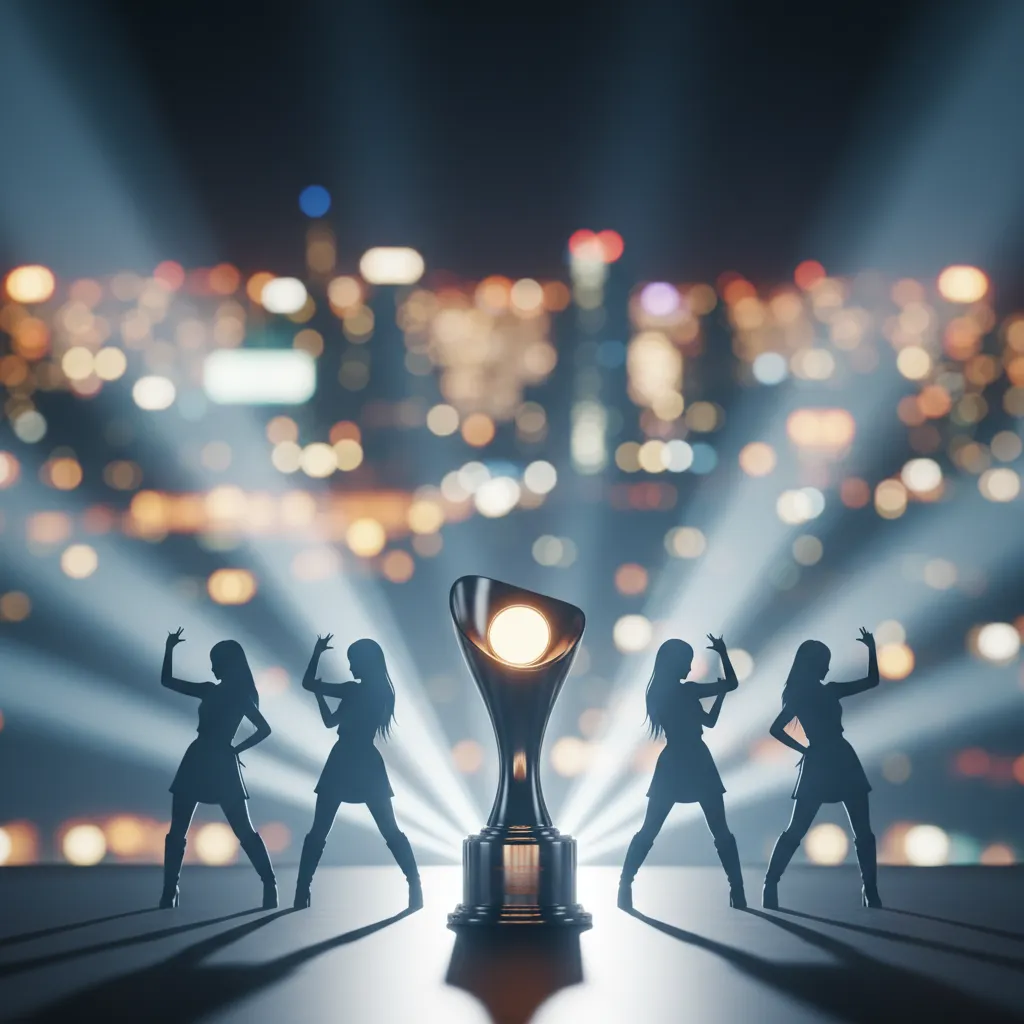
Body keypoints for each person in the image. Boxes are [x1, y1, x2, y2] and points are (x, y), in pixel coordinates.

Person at [293, 634, 422, 910]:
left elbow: (310, 688)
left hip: (342, 761)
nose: (350, 667)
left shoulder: (354, 691)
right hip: (367, 762)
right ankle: (415, 886)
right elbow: (331, 720)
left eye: (353, 662)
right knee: (390, 830)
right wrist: (319, 693)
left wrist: (316, 654)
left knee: (319, 830)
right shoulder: (382, 693)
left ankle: (302, 890)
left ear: (365, 662)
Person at [618, 635, 745, 910]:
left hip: (673, 761)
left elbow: (708, 720)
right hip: (697, 761)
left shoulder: (657, 694)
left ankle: (624, 885)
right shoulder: (686, 692)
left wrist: (720, 693)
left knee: (649, 829)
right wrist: (723, 654)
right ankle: (738, 889)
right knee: (720, 830)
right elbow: (729, 688)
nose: (689, 669)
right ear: (676, 664)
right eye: (686, 663)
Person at [762, 628, 880, 909]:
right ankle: (870, 890)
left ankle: (771, 885)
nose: (828, 666)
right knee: (860, 830)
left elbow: (776, 729)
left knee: (798, 829)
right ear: (815, 664)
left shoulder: (800, 696)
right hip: (838, 758)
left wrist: (805, 749)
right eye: (825, 661)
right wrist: (872, 648)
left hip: (824, 759)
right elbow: (872, 681)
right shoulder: (825, 692)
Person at [160, 628, 277, 909]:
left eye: (216, 661)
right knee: (233, 829)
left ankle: (269, 883)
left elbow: (264, 729)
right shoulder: (234, 695)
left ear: (227, 664)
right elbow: (167, 681)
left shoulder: (226, 694)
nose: (212, 667)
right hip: (213, 759)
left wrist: (237, 749)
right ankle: (169, 890)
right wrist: (236, 749)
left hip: (204, 759)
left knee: (229, 829)